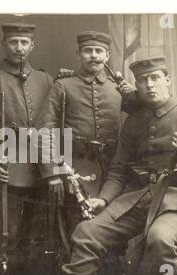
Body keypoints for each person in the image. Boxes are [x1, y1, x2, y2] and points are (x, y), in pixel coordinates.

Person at [61, 56, 177, 275]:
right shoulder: (133, 123)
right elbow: (118, 171)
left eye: (155, 78)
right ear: (136, 86)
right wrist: (103, 199)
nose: (149, 84)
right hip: (138, 197)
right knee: (86, 232)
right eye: (142, 80)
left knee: (159, 240)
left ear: (167, 80)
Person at [0, 22, 53, 275]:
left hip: (42, 169)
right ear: (4, 44)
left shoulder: (46, 79)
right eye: (14, 42)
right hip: (7, 172)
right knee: (9, 235)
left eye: (24, 42)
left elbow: (54, 124)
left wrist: (54, 168)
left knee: (39, 237)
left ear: (32, 45)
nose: (19, 48)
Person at [37, 31, 123, 234]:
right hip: (74, 169)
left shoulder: (118, 88)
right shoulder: (63, 85)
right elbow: (44, 129)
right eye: (88, 51)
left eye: (99, 51)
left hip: (112, 171)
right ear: (78, 54)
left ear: (107, 56)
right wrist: (52, 173)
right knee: (77, 228)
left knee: (113, 229)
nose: (93, 55)